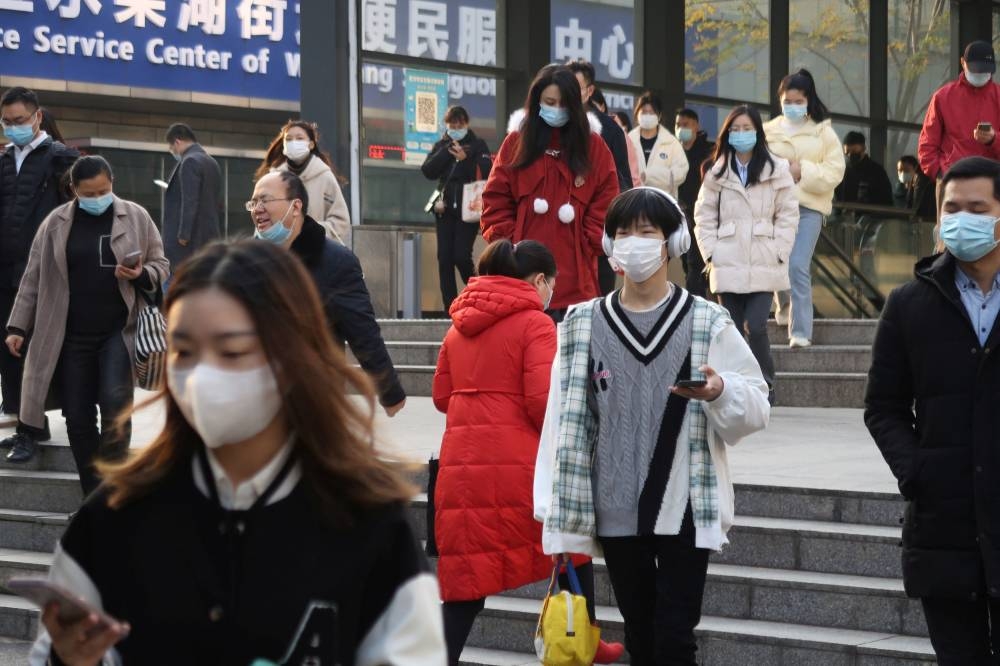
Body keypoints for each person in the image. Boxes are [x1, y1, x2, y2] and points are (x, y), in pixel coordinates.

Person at [28, 241, 445, 665]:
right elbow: (50, 651)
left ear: (292, 358)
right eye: (185, 351)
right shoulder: (116, 515)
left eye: (232, 351)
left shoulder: (370, 524)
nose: (203, 376)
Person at [534, 186, 770, 665]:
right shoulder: (582, 324)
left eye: (646, 231)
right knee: (641, 634)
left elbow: (758, 402)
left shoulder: (707, 321)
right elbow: (562, 422)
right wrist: (555, 514)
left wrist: (721, 390)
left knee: (675, 636)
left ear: (673, 242)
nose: (633, 242)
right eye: (623, 233)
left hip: (685, 503)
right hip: (617, 506)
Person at [432, 238, 623, 665]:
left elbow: (442, 396)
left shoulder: (458, 324)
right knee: (569, 545)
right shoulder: (534, 324)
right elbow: (543, 403)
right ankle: (581, 639)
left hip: (460, 468)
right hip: (516, 466)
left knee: (466, 580)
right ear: (539, 280)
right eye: (551, 284)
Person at [865, 156, 1000, 664]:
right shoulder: (909, 304)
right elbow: (883, 407)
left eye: (977, 208)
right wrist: (916, 471)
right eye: (951, 208)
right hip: (944, 528)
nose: (961, 218)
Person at [4, 156, 168, 491]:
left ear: (112, 183)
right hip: (70, 335)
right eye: (88, 193)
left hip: (118, 331)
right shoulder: (55, 223)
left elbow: (161, 264)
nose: (97, 198)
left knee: (115, 409)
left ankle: (114, 494)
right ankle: (92, 494)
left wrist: (141, 274)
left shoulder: (135, 216)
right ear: (73, 190)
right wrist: (17, 326)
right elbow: (33, 278)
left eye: (103, 191)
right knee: (77, 418)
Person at [248, 170, 406, 416]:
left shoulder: (335, 262)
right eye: (253, 202)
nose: (257, 209)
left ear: (296, 206)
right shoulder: (246, 260)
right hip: (254, 395)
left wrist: (389, 391)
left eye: (265, 200)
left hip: (313, 398)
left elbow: (362, 331)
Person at [481, 64, 619, 322]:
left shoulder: (595, 147)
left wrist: (587, 241)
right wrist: (512, 246)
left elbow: (608, 200)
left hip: (576, 285)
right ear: (537, 102)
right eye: (549, 102)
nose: (556, 109)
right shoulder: (516, 143)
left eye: (563, 103)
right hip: (520, 280)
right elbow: (495, 200)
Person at [694, 106, 798, 400]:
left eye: (746, 128)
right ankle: (739, 385)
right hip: (726, 260)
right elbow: (703, 215)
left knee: (756, 325)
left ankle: (766, 385)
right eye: (735, 129)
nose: (741, 134)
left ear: (758, 132)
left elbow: (789, 213)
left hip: (764, 258)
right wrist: (710, 252)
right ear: (727, 134)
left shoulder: (777, 169)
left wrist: (780, 249)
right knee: (733, 330)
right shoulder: (716, 172)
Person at [0, 87, 78, 432]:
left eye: (19, 120)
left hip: (42, 271)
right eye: (6, 122)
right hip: (4, 269)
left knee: (35, 349)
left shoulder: (62, 158)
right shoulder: (3, 160)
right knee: (8, 346)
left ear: (37, 117)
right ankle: (18, 416)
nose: (12, 127)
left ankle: (32, 425)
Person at [763, 69, 845, 348]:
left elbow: (835, 172)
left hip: (809, 208)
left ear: (808, 100)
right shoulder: (768, 130)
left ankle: (800, 331)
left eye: (798, 101)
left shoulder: (824, 132)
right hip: (775, 207)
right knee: (776, 261)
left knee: (797, 264)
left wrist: (802, 171)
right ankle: (783, 305)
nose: (792, 106)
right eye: (788, 100)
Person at [566, 59, 633, 296]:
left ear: (590, 91)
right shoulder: (549, 128)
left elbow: (623, 182)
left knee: (598, 302)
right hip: (561, 234)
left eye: (576, 87)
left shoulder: (609, 131)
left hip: (598, 232)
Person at [420, 106, 493, 313]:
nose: (456, 128)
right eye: (452, 124)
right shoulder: (442, 145)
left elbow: (488, 171)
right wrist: (447, 152)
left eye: (459, 124)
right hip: (444, 209)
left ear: (466, 123)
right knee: (444, 258)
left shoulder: (478, 145)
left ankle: (481, 293)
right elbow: (428, 170)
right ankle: (449, 307)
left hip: (469, 209)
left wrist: (465, 158)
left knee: (461, 255)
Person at [918, 41, 1000, 214]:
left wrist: (994, 139)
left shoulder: (998, 97)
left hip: (993, 185)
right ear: (963, 62)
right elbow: (927, 145)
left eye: (984, 70)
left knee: (992, 237)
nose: (979, 74)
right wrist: (941, 174)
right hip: (952, 181)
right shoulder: (942, 97)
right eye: (975, 69)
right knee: (950, 237)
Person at [256, 119, 352, 246]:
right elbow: (260, 213)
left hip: (315, 250)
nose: (293, 143)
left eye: (299, 138)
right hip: (279, 251)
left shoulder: (324, 176)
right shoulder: (273, 177)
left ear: (311, 144)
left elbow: (341, 221)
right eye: (289, 139)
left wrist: (311, 230)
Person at [163, 123, 222, 269]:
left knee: (176, 285)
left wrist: (184, 235)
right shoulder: (211, 161)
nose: (173, 152)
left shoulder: (189, 161)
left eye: (172, 148)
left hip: (187, 246)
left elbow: (190, 201)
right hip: (208, 239)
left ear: (177, 141)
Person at [675, 108, 714, 298]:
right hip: (680, 216)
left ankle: (697, 303)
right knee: (688, 264)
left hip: (703, 217)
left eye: (686, 125)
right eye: (678, 125)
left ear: (696, 126)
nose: (682, 129)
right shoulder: (673, 152)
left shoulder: (708, 152)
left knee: (696, 266)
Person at [628, 92, 689, 199]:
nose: (647, 115)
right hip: (633, 203)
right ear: (637, 114)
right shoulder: (628, 140)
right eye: (644, 112)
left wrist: (649, 175)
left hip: (662, 205)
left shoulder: (671, 143)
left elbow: (681, 172)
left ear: (659, 115)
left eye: (651, 112)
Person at [835, 131, 894, 207]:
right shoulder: (842, 171)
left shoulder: (877, 171)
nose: (850, 155)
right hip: (846, 216)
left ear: (864, 148)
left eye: (854, 151)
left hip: (871, 217)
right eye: (847, 152)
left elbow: (886, 200)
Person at [894, 155, 936, 220]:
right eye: (900, 170)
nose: (903, 173)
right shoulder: (898, 189)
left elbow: (915, 207)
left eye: (906, 170)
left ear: (915, 168)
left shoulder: (921, 180)